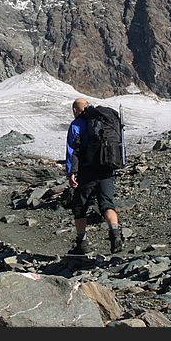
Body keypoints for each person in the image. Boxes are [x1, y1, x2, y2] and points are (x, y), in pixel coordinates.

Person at [66, 98, 124, 254]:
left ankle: (82, 243)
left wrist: (72, 173)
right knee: (106, 204)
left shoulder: (77, 125)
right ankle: (115, 234)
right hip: (107, 168)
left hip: (87, 171)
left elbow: (73, 151)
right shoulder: (105, 119)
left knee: (80, 207)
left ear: (75, 110)